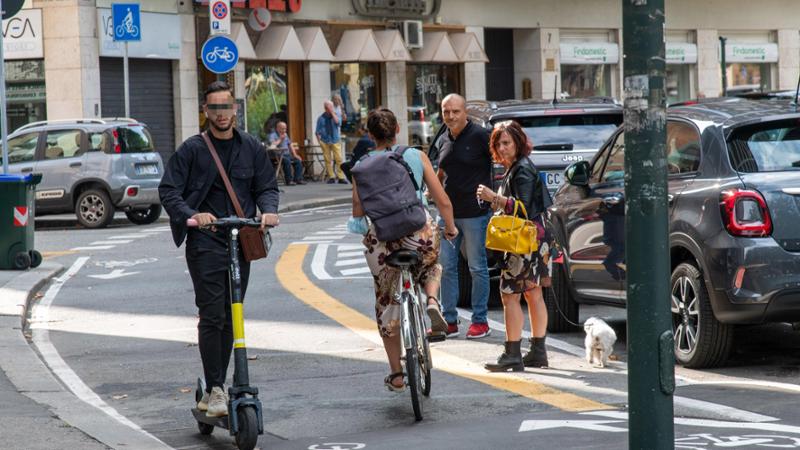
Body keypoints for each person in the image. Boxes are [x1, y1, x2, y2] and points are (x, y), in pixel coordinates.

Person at [158, 81, 280, 417]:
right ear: (205, 111)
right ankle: (215, 388)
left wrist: (268, 211)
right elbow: (169, 192)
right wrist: (192, 216)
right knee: (213, 315)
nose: (221, 114)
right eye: (214, 108)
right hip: (206, 243)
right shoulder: (192, 150)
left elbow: (266, 186)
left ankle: (219, 386)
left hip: (241, 242)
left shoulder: (252, 147)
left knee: (232, 314)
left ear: (235, 108)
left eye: (226, 107)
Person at [348, 107, 458, 391]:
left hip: (383, 240)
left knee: (386, 301)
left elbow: (358, 215)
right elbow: (442, 200)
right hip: (417, 231)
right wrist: (450, 227)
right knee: (431, 264)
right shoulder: (416, 156)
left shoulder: (361, 166)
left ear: (370, 135)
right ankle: (432, 301)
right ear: (397, 129)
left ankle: (397, 373)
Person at [476, 120, 551, 371]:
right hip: (535, 239)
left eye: (506, 142)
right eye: (498, 142)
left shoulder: (522, 169)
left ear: (518, 143)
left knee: (510, 295)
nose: (502, 147)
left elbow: (524, 209)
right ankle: (537, 351)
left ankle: (512, 352)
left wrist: (493, 197)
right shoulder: (518, 168)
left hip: (524, 241)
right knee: (533, 292)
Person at [435, 93, 493, 339]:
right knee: (446, 267)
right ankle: (449, 320)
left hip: (475, 214)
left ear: (465, 112)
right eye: (446, 112)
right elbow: (441, 169)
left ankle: (480, 321)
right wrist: (434, 188)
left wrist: (497, 197)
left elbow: (500, 163)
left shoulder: (480, 136)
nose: (450, 116)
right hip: (448, 214)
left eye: (455, 111)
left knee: (477, 267)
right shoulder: (443, 138)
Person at [316, 100, 347, 184]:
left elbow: (338, 123)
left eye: (332, 107)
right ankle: (331, 177)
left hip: (335, 140)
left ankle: (341, 177)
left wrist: (333, 113)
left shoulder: (336, 115)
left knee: (339, 159)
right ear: (325, 108)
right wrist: (320, 142)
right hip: (325, 141)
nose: (331, 108)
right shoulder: (321, 118)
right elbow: (317, 131)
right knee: (327, 160)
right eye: (330, 107)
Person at [268, 121, 306, 185]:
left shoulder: (286, 135)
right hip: (277, 155)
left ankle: (298, 179)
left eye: (285, 128)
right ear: (277, 128)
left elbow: (290, 145)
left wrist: (295, 155)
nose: (284, 130)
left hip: (287, 154)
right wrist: (280, 139)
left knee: (298, 161)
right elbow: (272, 145)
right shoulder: (273, 135)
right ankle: (289, 180)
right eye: (282, 128)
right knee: (287, 161)